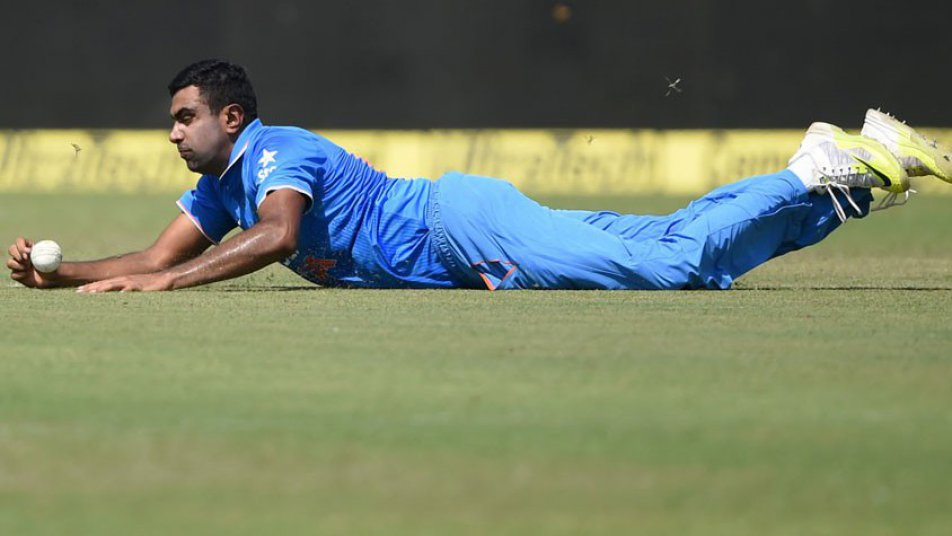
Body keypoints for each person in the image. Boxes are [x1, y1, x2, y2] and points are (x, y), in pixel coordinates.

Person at [6, 60, 951, 292]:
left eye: (184, 117)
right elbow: (151, 253)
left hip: (460, 225)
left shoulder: (271, 152)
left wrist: (169, 283)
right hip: (469, 249)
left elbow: (281, 236)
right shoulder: (219, 187)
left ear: (231, 118)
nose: (173, 132)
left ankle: (812, 173)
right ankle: (840, 174)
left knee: (671, 270)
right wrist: (70, 273)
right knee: (675, 252)